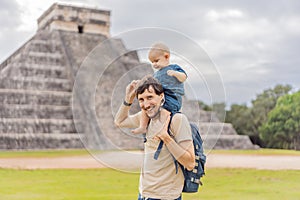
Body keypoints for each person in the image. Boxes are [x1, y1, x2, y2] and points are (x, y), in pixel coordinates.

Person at [114, 76, 195, 200]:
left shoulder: (177, 120)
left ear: (161, 96)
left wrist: (166, 138)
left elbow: (190, 163)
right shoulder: (145, 118)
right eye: (141, 99)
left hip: (166, 196)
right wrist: (128, 100)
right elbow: (120, 121)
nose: (146, 104)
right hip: (144, 194)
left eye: (150, 97)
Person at [131, 42, 187, 135]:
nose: (154, 64)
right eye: (152, 62)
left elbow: (183, 77)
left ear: (166, 56)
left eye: (156, 61)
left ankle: (163, 129)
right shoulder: (156, 74)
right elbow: (150, 85)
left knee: (163, 111)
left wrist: (175, 73)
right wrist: (139, 83)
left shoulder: (174, 67)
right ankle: (143, 127)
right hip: (160, 98)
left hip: (172, 98)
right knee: (145, 107)